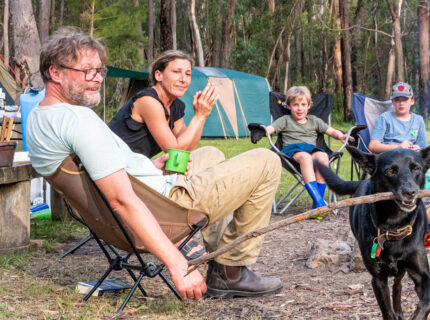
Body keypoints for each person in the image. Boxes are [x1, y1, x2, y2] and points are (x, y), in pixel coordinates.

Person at [27, 27, 282, 299]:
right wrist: (177, 263)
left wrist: (149, 168)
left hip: (146, 191)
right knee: (267, 160)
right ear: (55, 73)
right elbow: (121, 201)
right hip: (164, 207)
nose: (97, 78)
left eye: (100, 71)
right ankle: (231, 271)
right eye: (87, 71)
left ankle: (216, 254)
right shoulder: (79, 121)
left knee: (210, 154)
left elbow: (109, 169)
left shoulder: (40, 118)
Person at [107, 50, 229, 253]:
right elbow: (173, 148)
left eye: (188, 74)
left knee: (212, 155)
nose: (183, 79)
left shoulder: (175, 106)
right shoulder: (148, 101)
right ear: (158, 75)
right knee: (207, 174)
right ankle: (179, 229)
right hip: (124, 179)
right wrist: (199, 115)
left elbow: (187, 148)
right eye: (176, 72)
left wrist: (202, 116)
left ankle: (217, 245)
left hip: (145, 170)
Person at [263, 86, 349, 209]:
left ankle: (317, 205)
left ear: (309, 105)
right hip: (292, 151)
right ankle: (319, 202)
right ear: (288, 106)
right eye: (295, 105)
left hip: (312, 149)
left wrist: (341, 135)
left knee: (323, 156)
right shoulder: (285, 120)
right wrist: (261, 131)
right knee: (305, 157)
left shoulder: (315, 121)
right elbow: (270, 129)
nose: (299, 108)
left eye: (303, 104)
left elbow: (332, 131)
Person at [367, 82, 428, 153]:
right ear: (392, 101)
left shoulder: (418, 120)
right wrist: (398, 147)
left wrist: (418, 148)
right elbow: (373, 146)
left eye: (405, 99)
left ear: (412, 101)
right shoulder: (385, 118)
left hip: (410, 159)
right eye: (397, 100)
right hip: (390, 159)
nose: (401, 103)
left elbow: (424, 148)